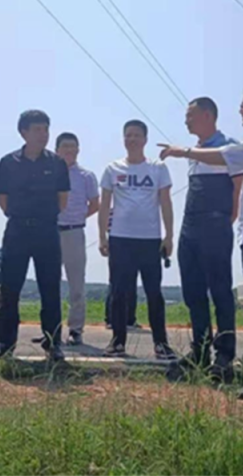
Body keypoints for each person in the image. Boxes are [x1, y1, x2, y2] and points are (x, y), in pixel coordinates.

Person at [160, 81, 243, 412]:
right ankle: (204, 352)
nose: (240, 113)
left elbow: (233, 177)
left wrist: (183, 152)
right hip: (220, 230)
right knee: (197, 293)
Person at [0, 110, 70, 361]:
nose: (43, 135)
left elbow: (62, 200)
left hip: (47, 230)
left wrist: (43, 217)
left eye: (46, 129)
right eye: (37, 129)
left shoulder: (57, 163)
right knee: (10, 288)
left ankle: (53, 342)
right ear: (23, 132)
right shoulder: (8, 162)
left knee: (50, 288)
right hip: (17, 230)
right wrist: (21, 216)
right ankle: (5, 343)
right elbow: (3, 200)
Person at [176, 97, 243, 379]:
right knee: (193, 292)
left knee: (220, 291)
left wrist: (226, 218)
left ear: (207, 115)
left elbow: (238, 188)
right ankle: (200, 351)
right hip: (190, 225)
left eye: (190, 115)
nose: (186, 121)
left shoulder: (228, 146)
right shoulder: (196, 150)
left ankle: (224, 355)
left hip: (215, 225)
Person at [99, 120, 176, 360]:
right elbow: (104, 205)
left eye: (136, 135)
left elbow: (166, 202)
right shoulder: (113, 169)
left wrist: (169, 235)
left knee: (154, 293)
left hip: (149, 240)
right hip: (120, 239)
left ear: (145, 139)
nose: (132, 139)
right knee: (119, 292)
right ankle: (117, 341)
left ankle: (161, 343)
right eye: (128, 135)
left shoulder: (158, 168)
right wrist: (102, 236)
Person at [32, 132, 98, 346]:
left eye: (73, 146)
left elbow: (95, 204)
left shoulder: (86, 176)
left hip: (73, 232)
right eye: (65, 146)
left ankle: (76, 330)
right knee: (49, 283)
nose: (69, 150)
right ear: (56, 150)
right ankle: (50, 330)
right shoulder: (48, 173)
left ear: (78, 150)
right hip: (49, 231)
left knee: (76, 284)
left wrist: (78, 218)